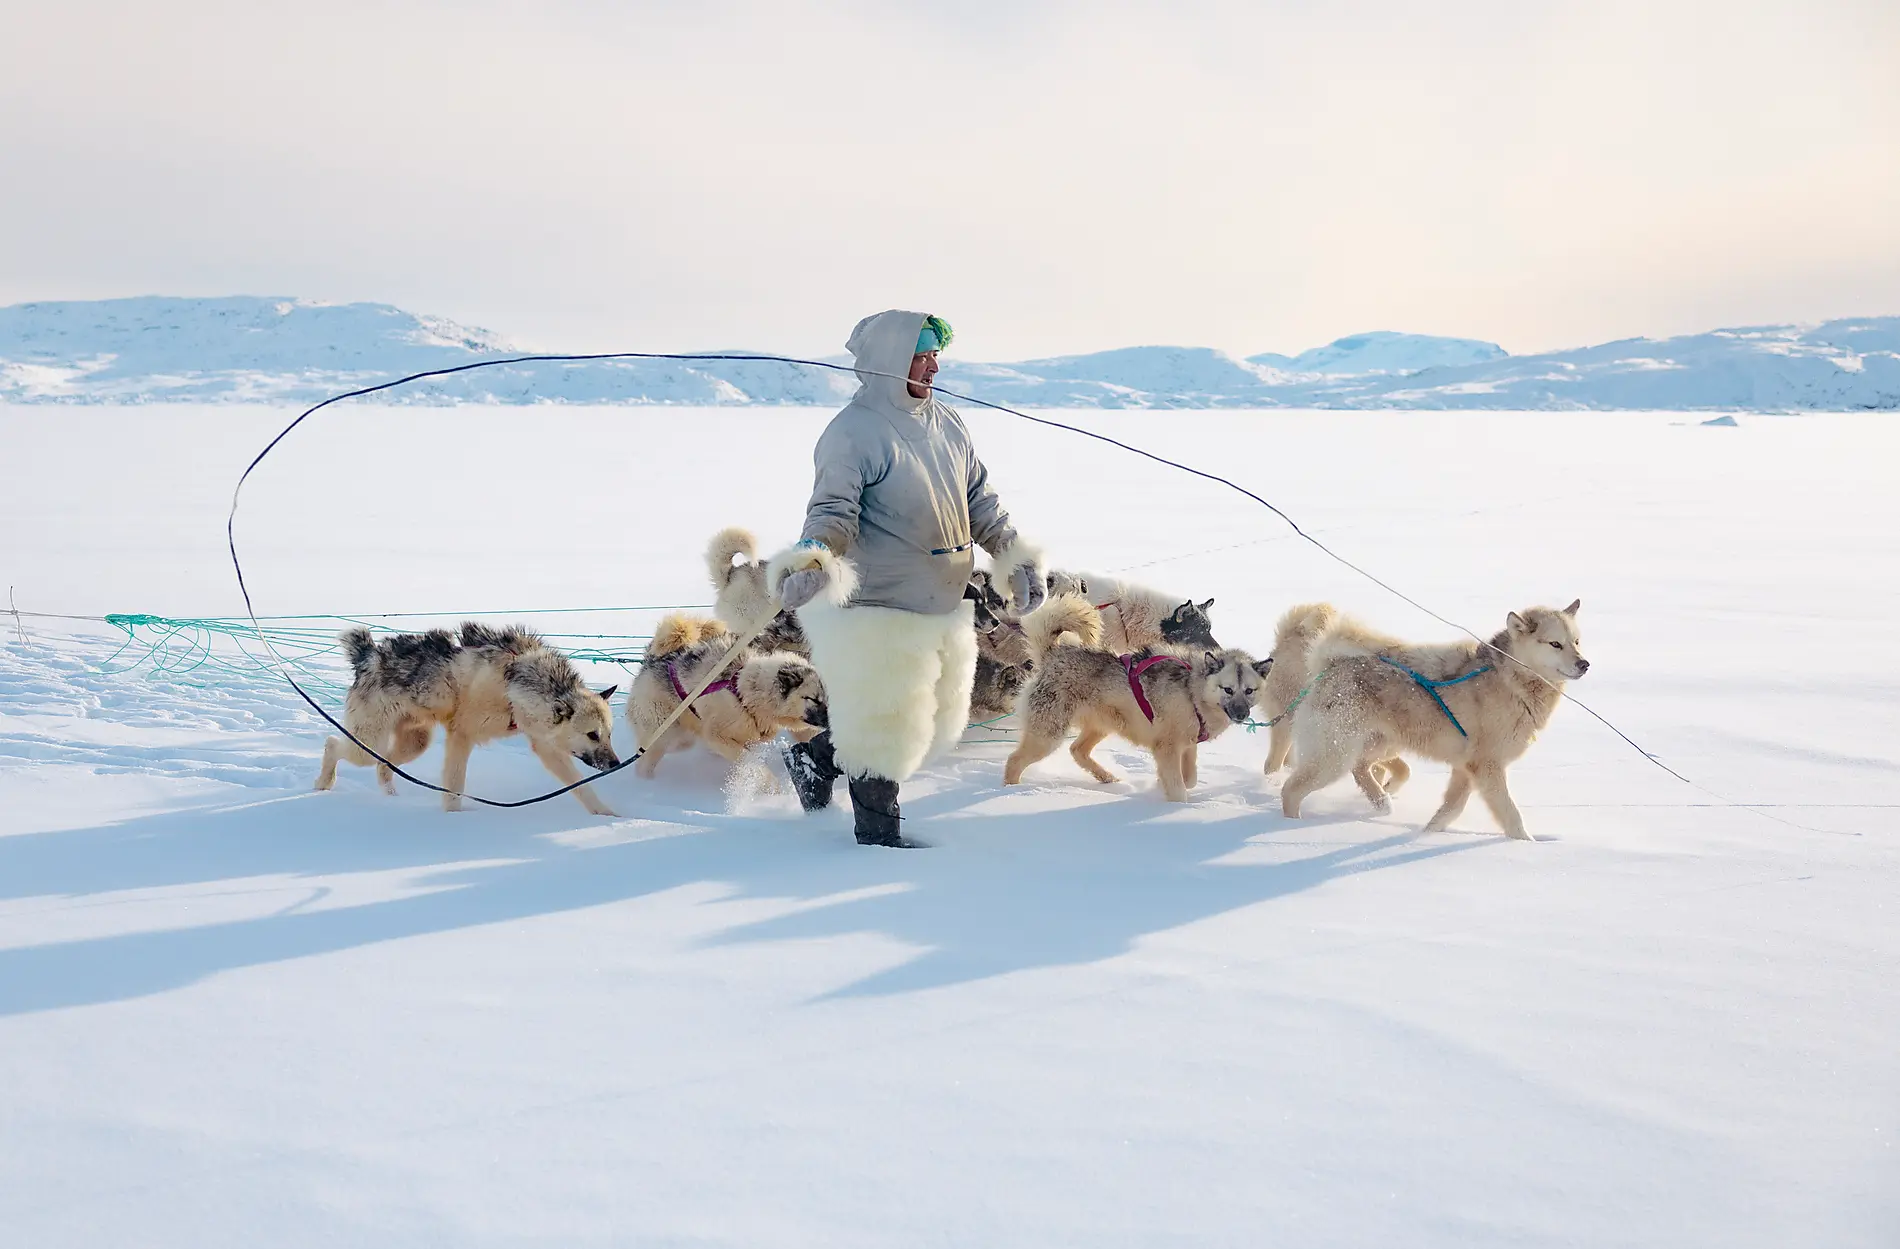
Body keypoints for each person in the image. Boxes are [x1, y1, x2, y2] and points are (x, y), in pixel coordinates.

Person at [764, 310, 1045, 846]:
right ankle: (876, 842)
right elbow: (831, 514)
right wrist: (813, 558)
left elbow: (979, 501)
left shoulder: (947, 422)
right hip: (879, 610)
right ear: (890, 362)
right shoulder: (852, 433)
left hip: (940, 602)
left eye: (936, 355)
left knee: (932, 722)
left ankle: (813, 760)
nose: (934, 367)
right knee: (886, 727)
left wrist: (1015, 556)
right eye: (922, 356)